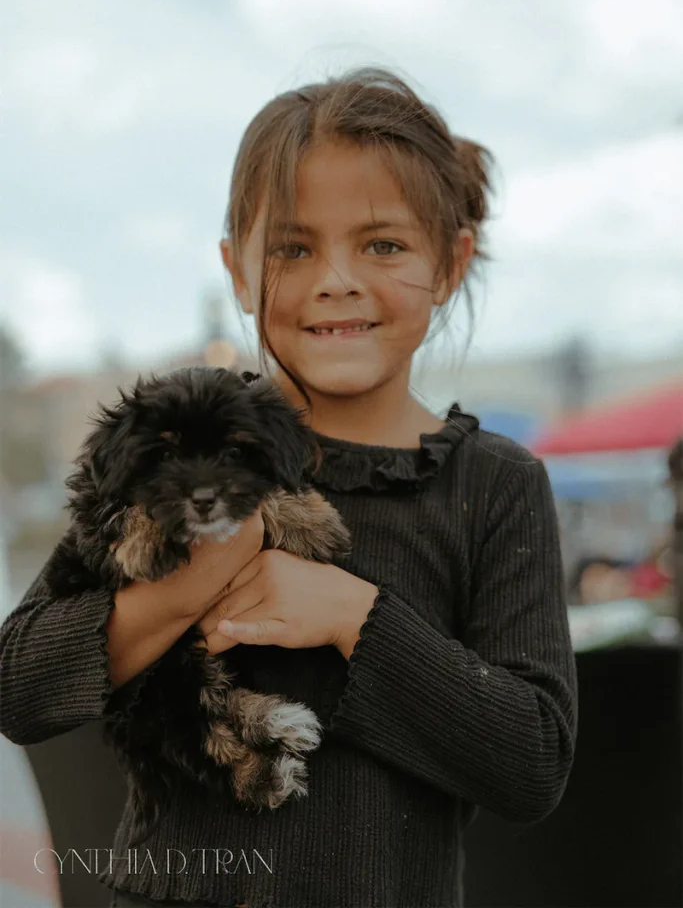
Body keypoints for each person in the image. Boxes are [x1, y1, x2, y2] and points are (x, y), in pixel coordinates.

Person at [0, 67, 578, 908]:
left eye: (382, 244)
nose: (335, 279)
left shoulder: (493, 485)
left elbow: (530, 763)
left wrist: (352, 617)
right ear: (238, 270)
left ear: (448, 262)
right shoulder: (179, 448)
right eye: (293, 248)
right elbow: (16, 686)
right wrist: (187, 586)